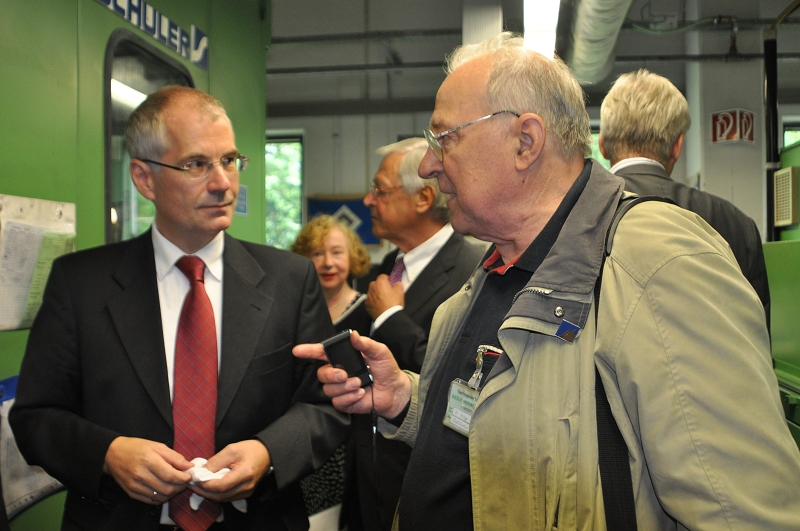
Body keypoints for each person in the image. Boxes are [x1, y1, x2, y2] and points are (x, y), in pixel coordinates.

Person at [294, 32, 800, 530]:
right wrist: (407, 398)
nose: (428, 165)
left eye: (444, 138)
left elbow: (743, 511)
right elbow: (512, 412)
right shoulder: (498, 270)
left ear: (525, 142)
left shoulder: (655, 262)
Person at [9, 86, 349, 531]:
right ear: (144, 178)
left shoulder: (290, 281)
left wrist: (268, 453)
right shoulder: (81, 285)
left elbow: (325, 404)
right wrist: (109, 455)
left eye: (229, 160)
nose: (222, 182)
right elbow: (36, 417)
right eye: (196, 165)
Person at [346, 138, 483, 530]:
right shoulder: (390, 264)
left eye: (380, 190)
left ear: (424, 197)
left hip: (425, 489)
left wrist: (390, 316)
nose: (369, 201)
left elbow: (461, 382)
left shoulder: (472, 271)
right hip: (369, 479)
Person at [599, 68, 771, 322]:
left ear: (602, 145)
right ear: (677, 146)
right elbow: (757, 330)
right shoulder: (736, 224)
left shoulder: (576, 216)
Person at [291, 215, 372, 528]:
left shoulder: (370, 311)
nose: (327, 262)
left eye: (337, 252)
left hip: (351, 442)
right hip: (301, 440)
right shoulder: (295, 312)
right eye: (316, 253)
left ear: (353, 257)